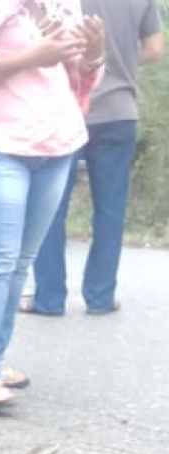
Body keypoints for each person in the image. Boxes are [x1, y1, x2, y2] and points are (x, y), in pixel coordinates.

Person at [0, 0, 105, 411]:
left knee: (20, 263)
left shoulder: (62, 4)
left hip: (54, 142)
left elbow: (75, 79)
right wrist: (33, 56)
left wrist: (94, 52)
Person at [29, 0, 163, 316]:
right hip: (119, 112)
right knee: (110, 210)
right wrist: (122, 61)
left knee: (50, 207)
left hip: (66, 109)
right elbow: (155, 49)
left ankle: (49, 298)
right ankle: (100, 297)